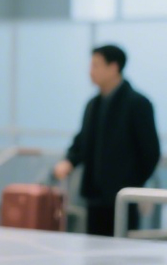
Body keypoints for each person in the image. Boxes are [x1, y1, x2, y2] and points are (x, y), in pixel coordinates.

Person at [54, 44, 161, 237]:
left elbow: (150, 152)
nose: (91, 71)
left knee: (122, 252)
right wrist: (69, 160)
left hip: (122, 196)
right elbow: (83, 142)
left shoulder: (137, 104)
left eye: (96, 65)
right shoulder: (93, 105)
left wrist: (132, 183)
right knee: (94, 250)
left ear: (114, 67)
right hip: (94, 194)